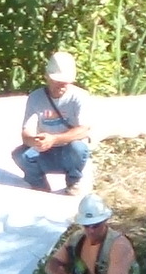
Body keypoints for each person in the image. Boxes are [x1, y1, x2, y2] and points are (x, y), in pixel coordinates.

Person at [18, 50, 94, 194]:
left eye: (65, 82)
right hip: (45, 150)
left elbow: (84, 129)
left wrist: (55, 139)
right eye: (57, 82)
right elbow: (26, 132)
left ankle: (73, 180)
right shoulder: (35, 98)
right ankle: (40, 186)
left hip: (68, 149)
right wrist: (35, 141)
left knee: (78, 148)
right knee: (21, 155)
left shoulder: (80, 96)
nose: (62, 86)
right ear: (47, 77)